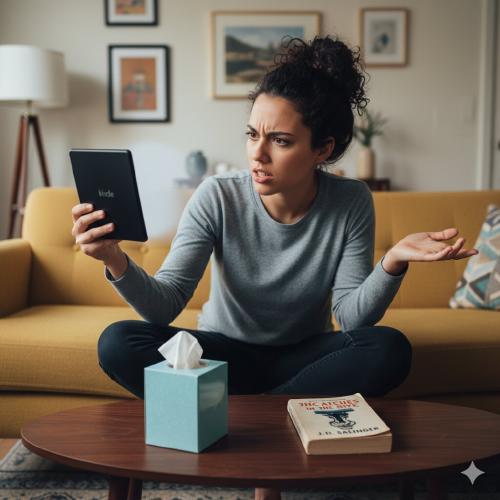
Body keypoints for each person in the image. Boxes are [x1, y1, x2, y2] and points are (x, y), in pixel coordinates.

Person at [71, 35, 477, 403]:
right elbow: (164, 308)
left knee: (389, 348)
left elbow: (352, 319)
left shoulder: (351, 201)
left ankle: (241, 412)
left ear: (322, 149)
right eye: (252, 135)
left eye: (280, 141)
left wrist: (392, 264)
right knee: (118, 341)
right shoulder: (217, 194)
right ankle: (284, 411)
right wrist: (114, 259)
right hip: (219, 354)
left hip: (304, 360)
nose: (257, 154)